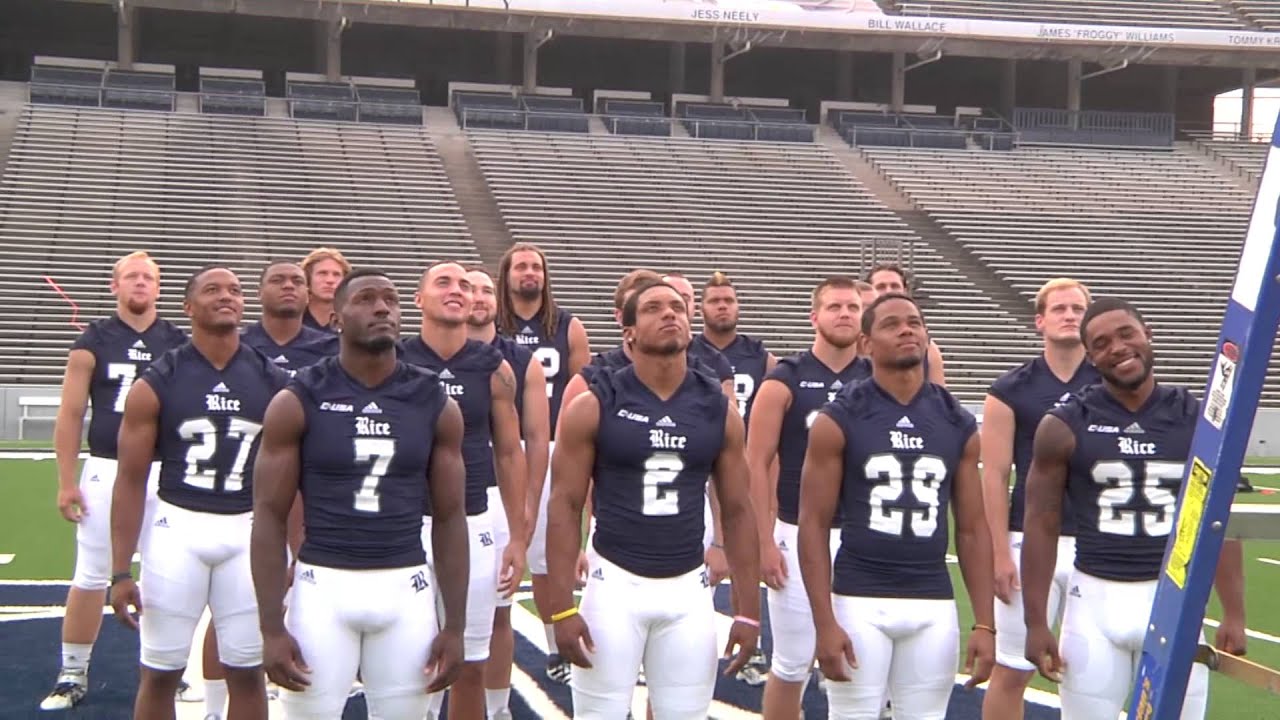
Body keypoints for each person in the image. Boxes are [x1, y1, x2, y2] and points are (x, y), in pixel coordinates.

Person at [249, 268, 468, 719]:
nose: (382, 308)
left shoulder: (433, 400)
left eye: (390, 299)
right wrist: (270, 627)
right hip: (322, 586)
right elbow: (269, 516)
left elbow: (449, 517)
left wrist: (457, 626)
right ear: (335, 318)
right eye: (367, 299)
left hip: (405, 588)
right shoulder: (300, 397)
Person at [1020, 297, 1247, 720]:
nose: (1118, 347)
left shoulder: (1195, 419)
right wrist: (1035, 622)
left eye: (1126, 334)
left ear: (1148, 335)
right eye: (1102, 343)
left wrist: (1234, 612)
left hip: (1173, 600)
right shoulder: (1066, 424)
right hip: (1093, 602)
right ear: (1090, 356)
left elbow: (1219, 519)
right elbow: (1041, 524)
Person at [547, 280, 761, 718]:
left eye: (678, 307)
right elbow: (565, 506)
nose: (670, 314)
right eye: (653, 308)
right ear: (629, 332)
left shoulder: (717, 409)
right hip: (614, 584)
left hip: (688, 589)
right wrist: (560, 607)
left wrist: (749, 612)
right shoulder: (596, 402)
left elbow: (739, 511)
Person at [799, 293, 995, 720]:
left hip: (932, 600)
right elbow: (813, 524)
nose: (907, 329)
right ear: (866, 345)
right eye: (892, 324)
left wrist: (985, 621)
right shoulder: (841, 417)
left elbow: (973, 528)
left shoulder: (955, 419)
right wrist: (824, 622)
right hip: (859, 597)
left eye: (915, 322)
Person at [109, 266, 289, 720]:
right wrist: (118, 570)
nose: (226, 296)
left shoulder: (272, 380)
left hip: (249, 530)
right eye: (212, 290)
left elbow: (294, 478)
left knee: (248, 672)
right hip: (177, 527)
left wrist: (296, 552)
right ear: (188, 307)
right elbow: (130, 479)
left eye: (235, 289)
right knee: (160, 672)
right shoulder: (158, 380)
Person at [40, 251, 187, 711]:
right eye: (132, 277)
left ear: (159, 288)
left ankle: (166, 672)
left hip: (165, 472)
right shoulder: (95, 338)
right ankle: (72, 671)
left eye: (149, 277)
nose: (140, 284)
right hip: (107, 466)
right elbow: (69, 413)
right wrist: (67, 480)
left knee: (167, 576)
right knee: (90, 573)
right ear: (114, 287)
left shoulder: (178, 342)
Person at [400, 261, 528, 720]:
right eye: (444, 283)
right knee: (407, 661)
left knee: (471, 660)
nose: (459, 291)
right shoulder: (394, 357)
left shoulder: (492, 366)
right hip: (405, 523)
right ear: (419, 299)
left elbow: (510, 453)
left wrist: (517, 534)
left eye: (466, 285)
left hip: (473, 518)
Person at [747, 277, 869, 718]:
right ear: (814, 316)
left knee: (859, 665)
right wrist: (763, 542)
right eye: (835, 306)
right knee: (791, 663)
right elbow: (755, 464)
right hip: (797, 534)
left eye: (853, 307)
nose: (844, 314)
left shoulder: (879, 379)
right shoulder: (785, 380)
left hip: (862, 538)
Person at [979, 278, 1098, 720]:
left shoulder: (1111, 383)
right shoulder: (1011, 389)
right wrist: (998, 553)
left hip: (1096, 543)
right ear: (1040, 321)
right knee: (1012, 668)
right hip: (1028, 539)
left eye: (1078, 309)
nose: (1070, 316)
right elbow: (993, 475)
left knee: (1088, 670)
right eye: (1060, 309)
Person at [495, 243, 590, 685]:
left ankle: (558, 647)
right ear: (506, 275)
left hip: (552, 444)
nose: (530, 273)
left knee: (552, 554)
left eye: (536, 266)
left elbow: (584, 393)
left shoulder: (568, 327)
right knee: (498, 548)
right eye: (521, 266)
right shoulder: (491, 324)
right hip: (500, 446)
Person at [467, 267, 551, 720]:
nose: (476, 297)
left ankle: (497, 707)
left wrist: (527, 505)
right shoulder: (422, 356)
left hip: (496, 498)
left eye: (484, 289)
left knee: (498, 611)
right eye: (467, 288)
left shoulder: (520, 361)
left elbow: (536, 439)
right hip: (432, 505)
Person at [693, 271, 776, 423]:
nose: (722, 306)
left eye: (729, 301)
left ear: (738, 307)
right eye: (714, 301)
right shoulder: (686, 353)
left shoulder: (761, 357)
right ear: (700, 310)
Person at [242, 261, 338, 375]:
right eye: (277, 280)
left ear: (308, 294)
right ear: (259, 292)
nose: (289, 286)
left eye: (297, 281)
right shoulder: (239, 345)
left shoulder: (333, 349)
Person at [865, 264, 945, 385]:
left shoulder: (928, 347)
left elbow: (939, 395)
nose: (888, 291)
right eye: (881, 286)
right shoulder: (855, 340)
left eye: (895, 286)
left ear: (905, 291)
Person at [299, 247, 350, 332]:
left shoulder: (353, 320)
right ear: (307, 278)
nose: (330, 280)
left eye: (336, 274)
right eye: (322, 273)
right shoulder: (293, 318)